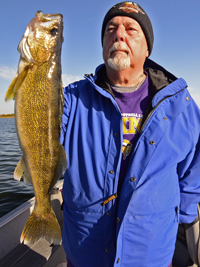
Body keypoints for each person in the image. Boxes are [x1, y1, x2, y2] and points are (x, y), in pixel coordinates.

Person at [60, 2, 200, 267]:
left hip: (150, 255)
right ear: (103, 46)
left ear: (147, 48)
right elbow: (45, 141)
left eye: (131, 29)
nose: (119, 34)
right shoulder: (72, 99)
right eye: (110, 29)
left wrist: (183, 214)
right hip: (85, 252)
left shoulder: (179, 103)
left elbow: (195, 166)